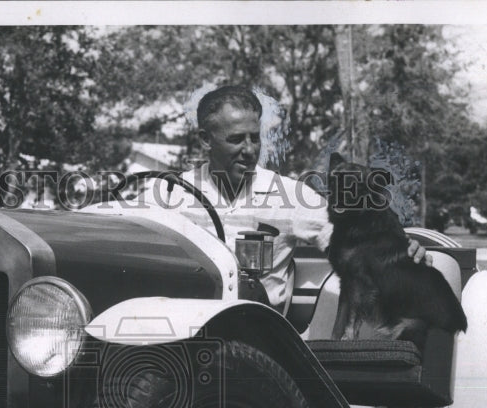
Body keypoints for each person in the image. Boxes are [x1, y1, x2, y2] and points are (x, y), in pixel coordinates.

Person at [142, 85, 429, 313]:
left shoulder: (291, 196)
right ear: (206, 140)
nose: (250, 149)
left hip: (257, 339)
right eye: (236, 139)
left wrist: (402, 252)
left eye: (255, 138)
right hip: (184, 326)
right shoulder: (170, 193)